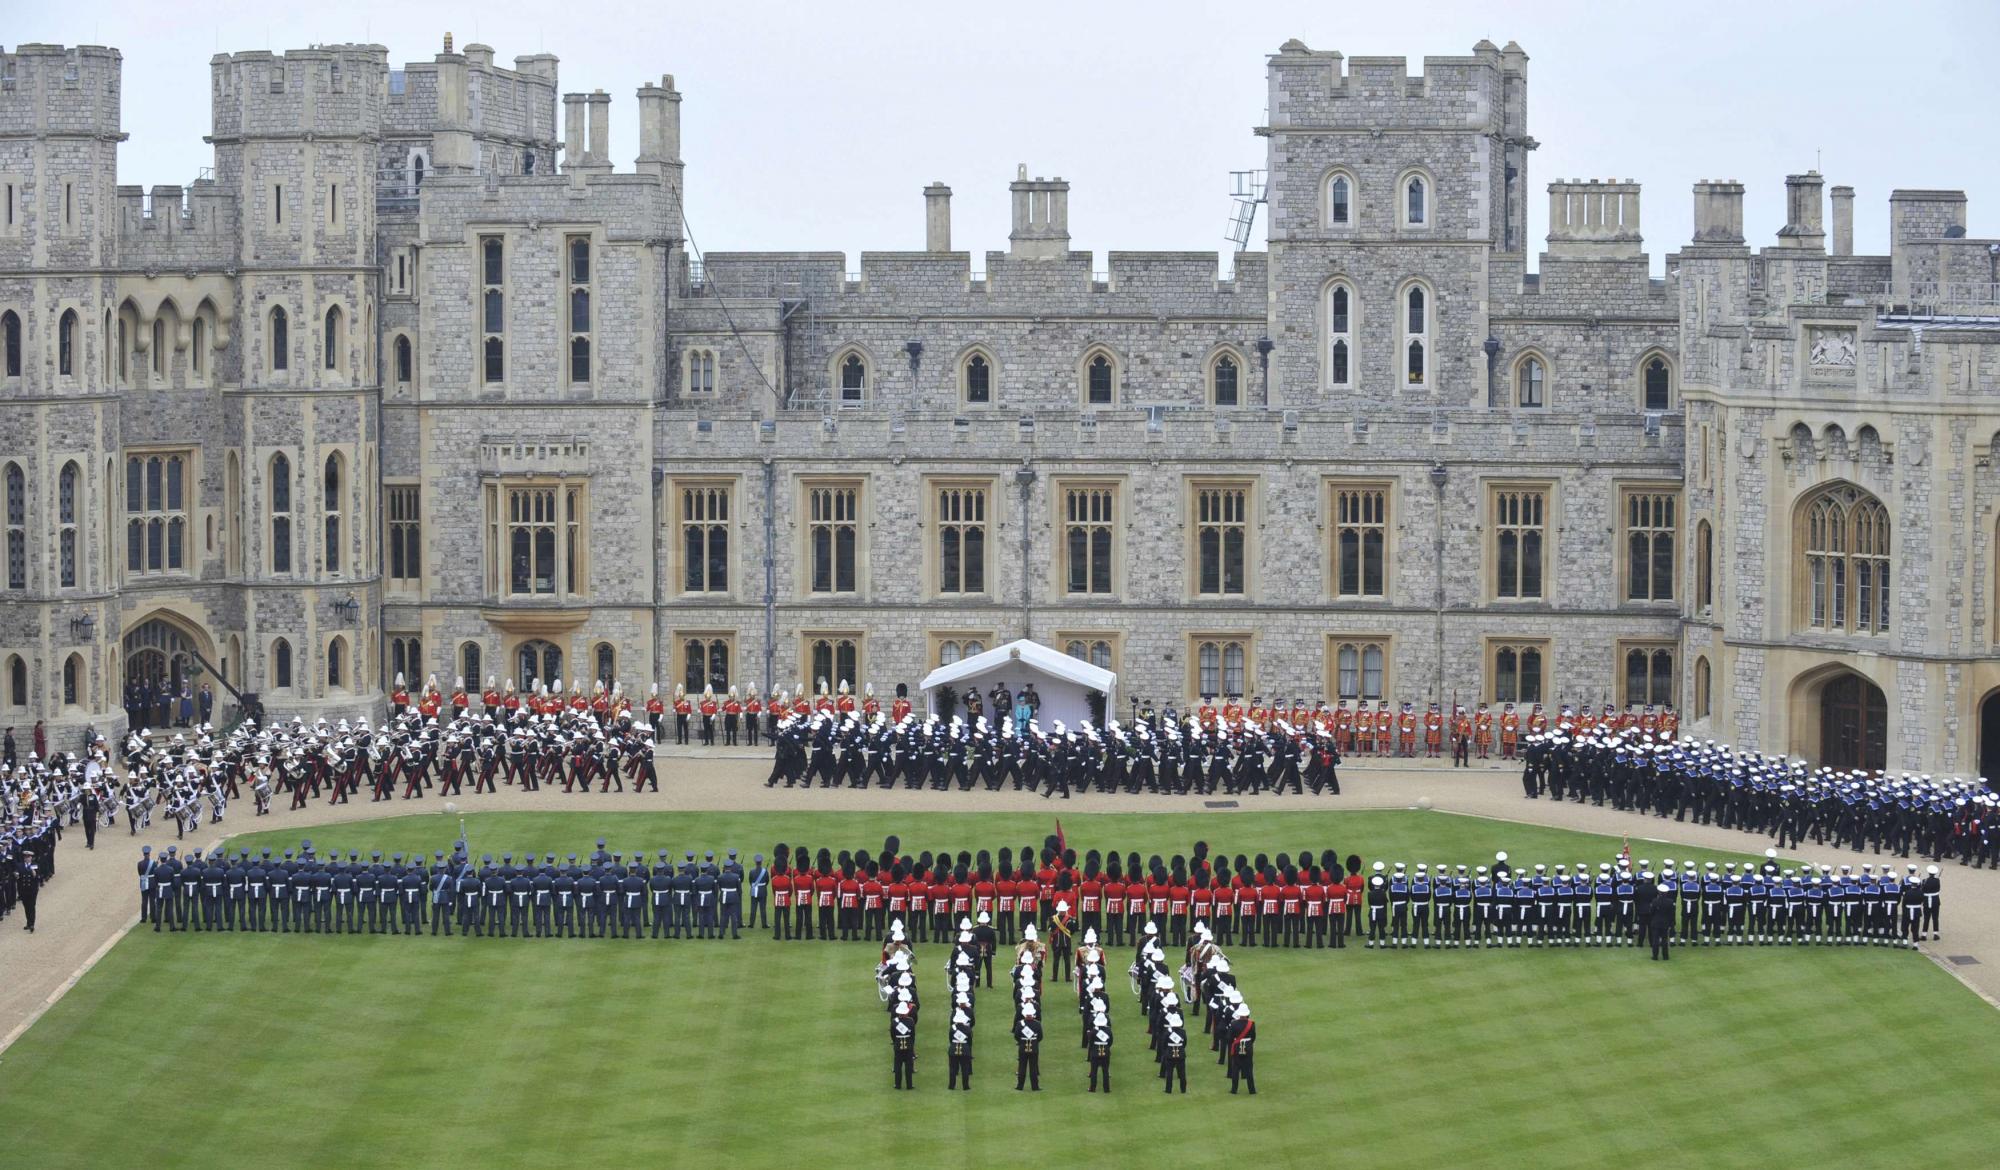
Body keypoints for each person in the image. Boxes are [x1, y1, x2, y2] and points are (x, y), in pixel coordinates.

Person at [1649, 882, 1675, 960]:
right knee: (1664, 940)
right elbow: (1672, 914)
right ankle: (1665, 956)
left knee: (1655, 940)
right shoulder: (1670, 902)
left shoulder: (1654, 901)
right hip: (1665, 923)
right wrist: (1671, 924)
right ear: (1666, 892)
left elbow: (1652, 912)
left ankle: (1655, 956)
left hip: (1656, 922)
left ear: (1659, 892)